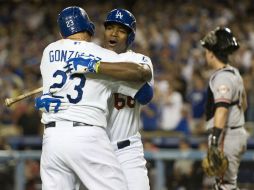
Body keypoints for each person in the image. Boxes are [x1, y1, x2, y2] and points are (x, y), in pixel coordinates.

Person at [37, 8, 154, 190]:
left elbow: (146, 93)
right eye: (110, 28)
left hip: (125, 149)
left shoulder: (138, 59)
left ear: (130, 36)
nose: (114, 33)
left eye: (121, 30)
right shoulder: (95, 52)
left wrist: (96, 67)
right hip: (93, 144)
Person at [201, 26, 249, 190]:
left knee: (225, 186)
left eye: (207, 50)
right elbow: (245, 104)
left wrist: (214, 141)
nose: (206, 54)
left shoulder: (222, 78)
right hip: (235, 132)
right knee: (226, 184)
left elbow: (222, 109)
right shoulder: (234, 72)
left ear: (212, 53)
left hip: (226, 136)